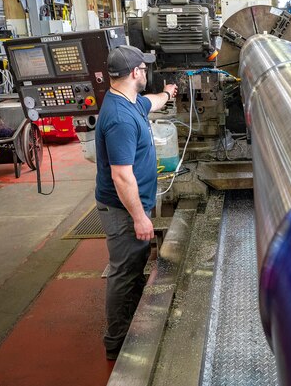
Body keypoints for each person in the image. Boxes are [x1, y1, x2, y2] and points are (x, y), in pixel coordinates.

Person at [95, 45, 177, 361]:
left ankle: (132, 320)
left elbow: (149, 102)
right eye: (144, 69)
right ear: (135, 73)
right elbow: (121, 176)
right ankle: (115, 341)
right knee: (123, 271)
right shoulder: (119, 119)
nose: (146, 73)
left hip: (129, 206)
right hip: (122, 210)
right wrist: (141, 218)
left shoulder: (127, 101)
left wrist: (168, 93)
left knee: (133, 266)